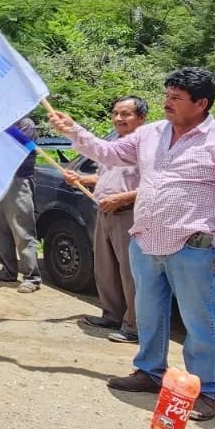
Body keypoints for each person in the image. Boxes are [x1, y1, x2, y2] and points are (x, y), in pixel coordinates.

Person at [48, 67, 215, 422]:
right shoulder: (150, 134)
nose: (167, 103)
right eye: (167, 95)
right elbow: (109, 153)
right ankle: (150, 372)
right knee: (148, 313)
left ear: (201, 103)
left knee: (199, 321)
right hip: (146, 241)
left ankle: (205, 391)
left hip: (193, 246)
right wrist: (73, 130)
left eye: (176, 99)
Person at [63, 96, 147, 342]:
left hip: (129, 214)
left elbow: (157, 186)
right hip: (105, 212)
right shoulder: (115, 143)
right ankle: (112, 315)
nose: (119, 118)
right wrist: (81, 179)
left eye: (126, 114)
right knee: (106, 268)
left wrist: (123, 198)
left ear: (141, 118)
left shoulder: (147, 147)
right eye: (116, 113)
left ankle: (134, 327)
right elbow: (105, 177)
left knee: (131, 273)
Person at [0, 115, 42, 293]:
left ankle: (32, 277)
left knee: (22, 231)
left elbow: (13, 152)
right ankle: (8, 271)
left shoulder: (25, 125)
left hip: (18, 181)